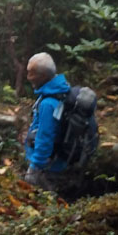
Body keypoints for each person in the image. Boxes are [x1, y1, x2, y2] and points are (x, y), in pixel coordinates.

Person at [23, 52, 94, 198]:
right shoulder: (61, 91)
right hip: (63, 161)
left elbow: (45, 137)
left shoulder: (48, 104)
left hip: (51, 166)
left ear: (43, 76)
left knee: (45, 200)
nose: (28, 77)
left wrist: (34, 167)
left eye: (31, 73)